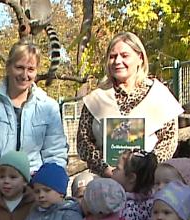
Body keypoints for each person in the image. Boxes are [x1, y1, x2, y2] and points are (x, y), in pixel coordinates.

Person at [0, 41, 68, 202]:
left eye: (31, 69)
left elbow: (55, 152)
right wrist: (4, 183)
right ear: (8, 67)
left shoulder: (48, 107)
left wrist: (44, 184)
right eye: (19, 67)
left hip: (34, 193)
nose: (25, 75)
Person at [77, 32, 183, 176]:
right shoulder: (96, 99)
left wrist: (146, 170)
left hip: (147, 182)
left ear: (140, 58)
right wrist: (104, 169)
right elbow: (84, 142)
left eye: (124, 55)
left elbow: (168, 141)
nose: (117, 61)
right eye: (113, 56)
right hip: (107, 181)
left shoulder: (159, 95)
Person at [111, 150, 157, 220]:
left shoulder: (126, 210)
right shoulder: (157, 202)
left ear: (131, 177)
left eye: (117, 168)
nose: (112, 170)